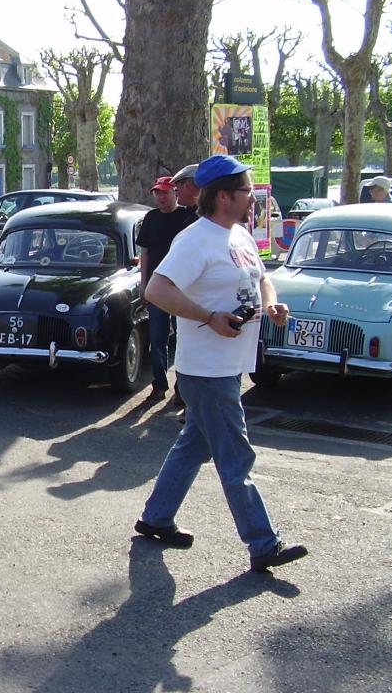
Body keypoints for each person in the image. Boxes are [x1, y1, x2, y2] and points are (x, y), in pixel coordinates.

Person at [136, 153, 308, 573]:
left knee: (193, 445)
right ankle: (263, 543)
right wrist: (208, 317)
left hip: (228, 366)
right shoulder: (196, 239)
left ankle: (156, 518)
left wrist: (271, 305)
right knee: (236, 456)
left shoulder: (239, 235)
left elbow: (263, 277)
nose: (253, 198)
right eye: (247, 191)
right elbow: (156, 290)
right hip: (206, 370)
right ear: (224, 196)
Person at [136, 177, 197, 401]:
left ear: (174, 193)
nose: (161, 197)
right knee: (157, 336)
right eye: (157, 193)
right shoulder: (150, 218)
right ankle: (159, 384)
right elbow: (145, 252)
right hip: (157, 286)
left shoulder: (186, 217)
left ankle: (182, 388)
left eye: (165, 193)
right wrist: (143, 283)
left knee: (183, 338)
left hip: (181, 286)